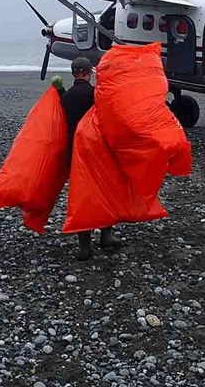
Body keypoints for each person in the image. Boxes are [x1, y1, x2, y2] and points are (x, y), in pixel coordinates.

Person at [58, 56, 122, 260]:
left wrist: (58, 90)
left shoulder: (65, 97)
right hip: (97, 150)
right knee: (105, 191)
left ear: (73, 73)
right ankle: (106, 236)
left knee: (82, 195)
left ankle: (84, 246)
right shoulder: (96, 94)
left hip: (74, 151)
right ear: (89, 72)